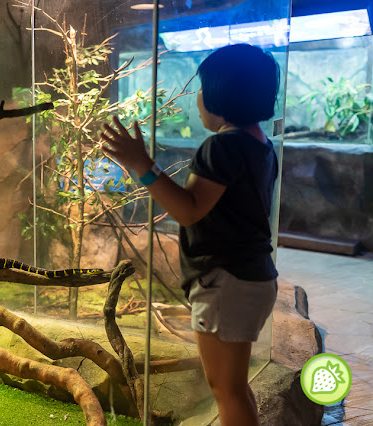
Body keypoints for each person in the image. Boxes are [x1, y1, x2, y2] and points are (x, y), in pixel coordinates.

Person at [100, 43, 280, 426]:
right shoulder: (261, 146)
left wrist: (141, 164)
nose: (197, 97)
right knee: (234, 388)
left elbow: (187, 209)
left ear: (220, 94)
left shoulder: (222, 147)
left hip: (227, 283)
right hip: (251, 277)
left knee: (226, 391)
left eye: (201, 87)